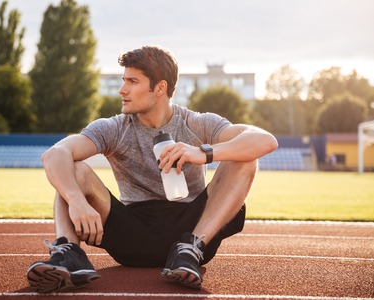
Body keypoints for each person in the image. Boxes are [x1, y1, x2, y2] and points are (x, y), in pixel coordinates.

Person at [26, 45, 278, 293]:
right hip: (132, 233)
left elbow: (265, 140)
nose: (123, 90)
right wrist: (76, 200)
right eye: (124, 80)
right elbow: (55, 154)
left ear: (160, 88)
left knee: (245, 157)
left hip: (191, 229)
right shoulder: (114, 127)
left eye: (133, 81)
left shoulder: (196, 122)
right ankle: (69, 253)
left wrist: (203, 152)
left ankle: (190, 248)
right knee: (74, 169)